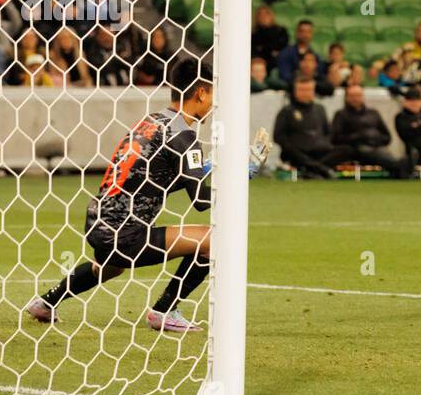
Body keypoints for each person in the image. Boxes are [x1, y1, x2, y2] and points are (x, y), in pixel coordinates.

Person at [25, 61, 268, 332]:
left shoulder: (151, 122)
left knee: (109, 268)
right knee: (215, 241)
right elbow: (201, 201)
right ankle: (165, 311)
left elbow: (154, 180)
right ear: (200, 93)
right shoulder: (184, 136)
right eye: (214, 95)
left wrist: (209, 168)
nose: (214, 104)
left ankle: (46, 303)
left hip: (98, 221)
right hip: (126, 231)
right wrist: (243, 176)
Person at [330, 83, 408, 177]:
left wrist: (375, 138)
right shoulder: (341, 115)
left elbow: (387, 137)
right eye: (352, 96)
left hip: (377, 145)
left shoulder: (373, 113)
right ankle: (400, 166)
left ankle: (398, 167)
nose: (356, 98)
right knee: (368, 151)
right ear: (346, 97)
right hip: (356, 148)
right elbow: (335, 138)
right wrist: (358, 136)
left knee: (382, 152)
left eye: (358, 95)